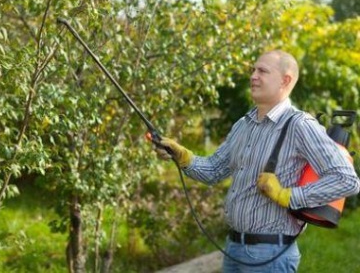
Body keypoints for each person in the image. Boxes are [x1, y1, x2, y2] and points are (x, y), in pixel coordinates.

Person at [154, 50, 360, 272]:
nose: (253, 75)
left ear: (285, 80)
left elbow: (347, 180)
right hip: (233, 249)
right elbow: (213, 171)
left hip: (269, 256)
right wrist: (183, 157)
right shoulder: (244, 125)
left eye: (262, 71)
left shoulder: (300, 125)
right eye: (253, 70)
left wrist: (287, 195)